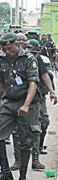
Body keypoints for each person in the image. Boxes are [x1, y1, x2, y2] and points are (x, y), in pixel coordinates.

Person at [0, 33, 41, 180]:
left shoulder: (29, 59)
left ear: (16, 45)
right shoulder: (2, 59)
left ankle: (23, 178)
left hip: (27, 104)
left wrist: (26, 105)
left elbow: (33, 83)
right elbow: (0, 82)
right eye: (3, 48)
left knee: (25, 142)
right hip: (9, 101)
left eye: (9, 48)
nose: (6, 50)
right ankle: (5, 170)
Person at [9, 39, 57, 171]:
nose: (26, 48)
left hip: (36, 99)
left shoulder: (35, 59)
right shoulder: (11, 59)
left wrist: (52, 91)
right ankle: (18, 160)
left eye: (29, 46)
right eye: (24, 45)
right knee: (17, 130)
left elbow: (44, 75)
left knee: (37, 127)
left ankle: (35, 159)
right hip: (18, 99)